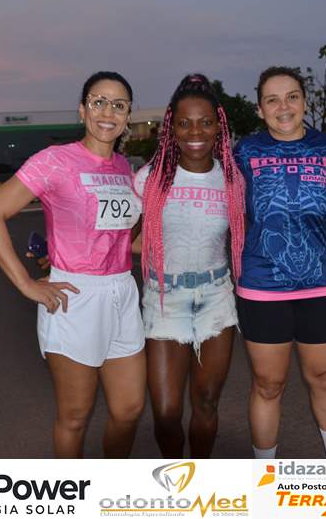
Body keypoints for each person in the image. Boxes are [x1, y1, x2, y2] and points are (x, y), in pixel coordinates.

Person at [0, 71, 145, 458]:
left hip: (122, 292)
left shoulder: (125, 168)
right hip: (75, 296)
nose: (108, 112)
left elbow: (120, 238)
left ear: (127, 115)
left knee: (129, 409)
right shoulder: (54, 161)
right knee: (75, 416)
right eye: (99, 102)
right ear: (83, 110)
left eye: (118, 105)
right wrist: (25, 283)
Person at [234, 66, 326, 460]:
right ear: (260, 109)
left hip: (323, 284)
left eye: (292, 97)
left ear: (304, 101)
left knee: (325, 378)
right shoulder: (245, 151)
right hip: (262, 286)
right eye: (272, 100)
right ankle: (265, 478)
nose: (283, 107)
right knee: (268, 385)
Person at [133, 74, 245, 458]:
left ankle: (197, 478)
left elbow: (250, 233)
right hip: (165, 298)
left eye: (205, 122)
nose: (195, 132)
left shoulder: (232, 179)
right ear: (171, 128)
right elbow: (120, 238)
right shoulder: (150, 179)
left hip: (216, 297)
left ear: (219, 126)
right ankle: (175, 474)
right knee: (166, 414)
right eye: (184, 123)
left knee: (207, 402)